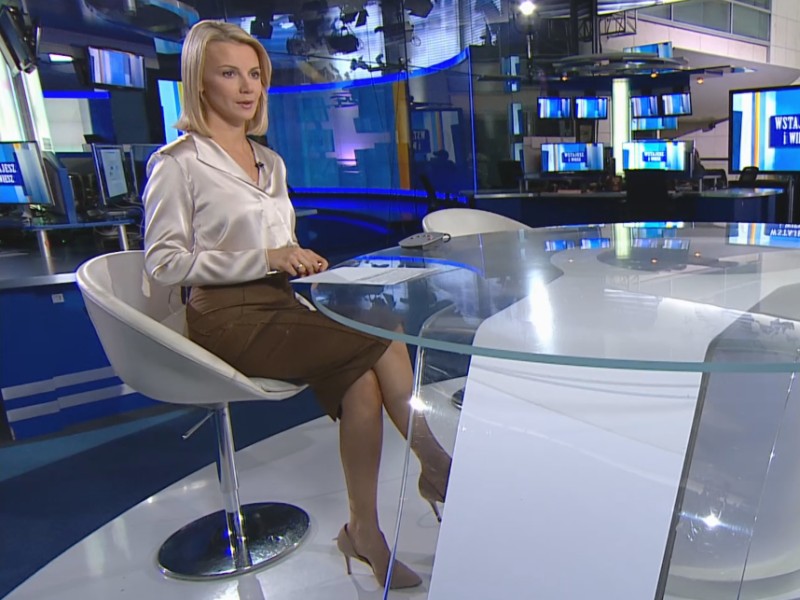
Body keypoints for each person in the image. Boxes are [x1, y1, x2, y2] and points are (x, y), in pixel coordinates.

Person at [142, 20, 451, 590]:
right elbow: (164, 263)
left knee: (363, 383)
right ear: (199, 82)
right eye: (229, 73)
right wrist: (268, 256)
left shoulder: (269, 161)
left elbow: (276, 248)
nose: (247, 87)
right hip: (225, 317)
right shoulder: (177, 162)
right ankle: (436, 464)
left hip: (280, 305)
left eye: (254, 74)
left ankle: (363, 532)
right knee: (383, 334)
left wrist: (297, 261)